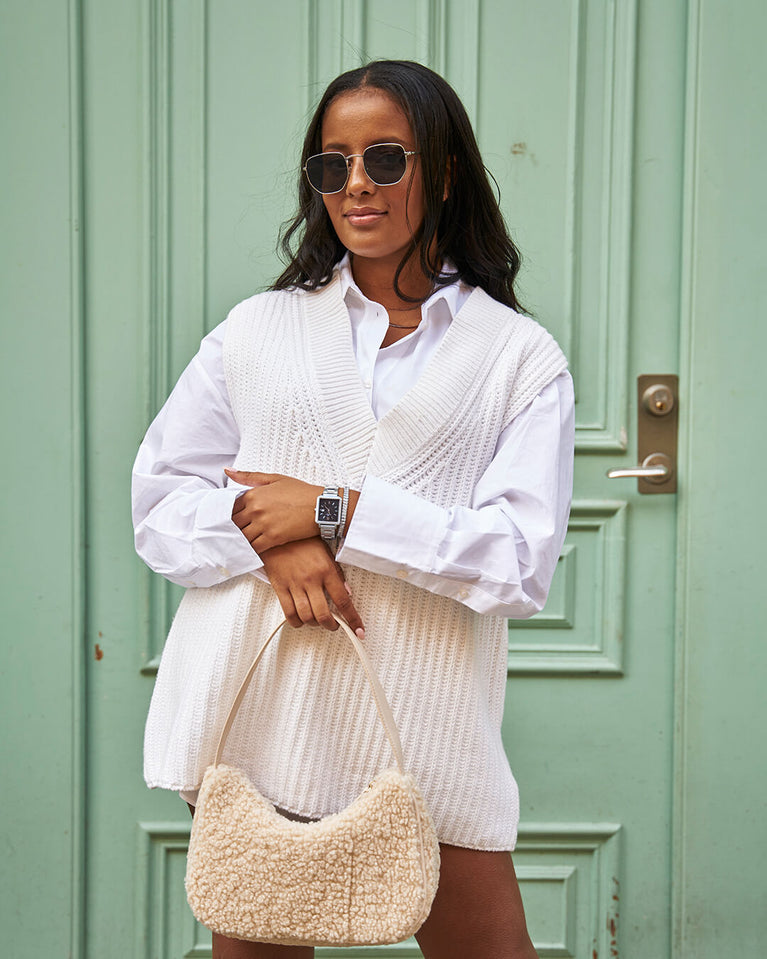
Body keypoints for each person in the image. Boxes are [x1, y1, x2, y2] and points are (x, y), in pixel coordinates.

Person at [133, 59, 574, 959]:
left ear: (444, 171)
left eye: (384, 157)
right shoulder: (254, 329)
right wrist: (271, 543)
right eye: (331, 166)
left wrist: (332, 513)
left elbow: (517, 562)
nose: (355, 185)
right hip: (258, 704)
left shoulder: (517, 357)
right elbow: (163, 501)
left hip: (422, 718)